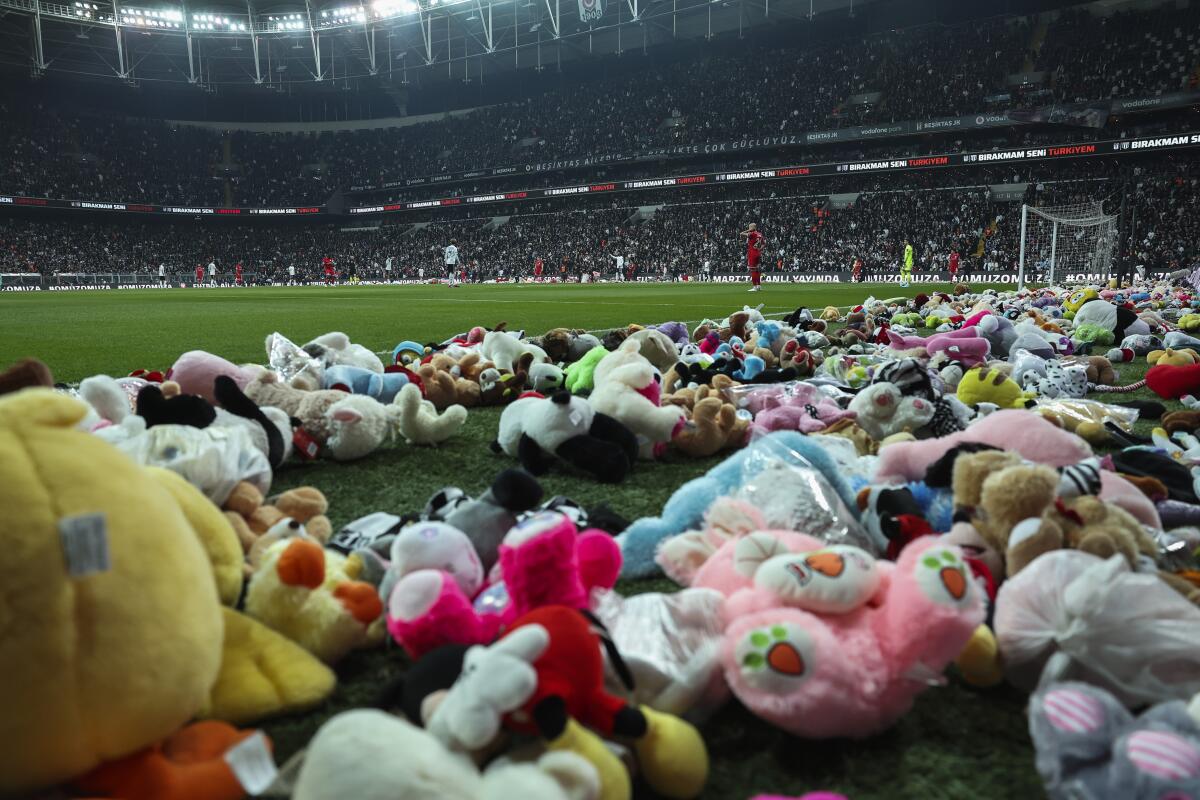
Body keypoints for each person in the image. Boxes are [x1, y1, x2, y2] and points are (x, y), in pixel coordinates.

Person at [739, 222, 765, 292]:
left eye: (749, 227)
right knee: (757, 270)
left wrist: (748, 230)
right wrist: (759, 249)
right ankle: (759, 286)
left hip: (752, 253)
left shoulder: (752, 234)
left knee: (753, 270)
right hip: (758, 253)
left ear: (751, 228)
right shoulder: (760, 234)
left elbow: (741, 233)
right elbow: (763, 244)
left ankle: (754, 287)